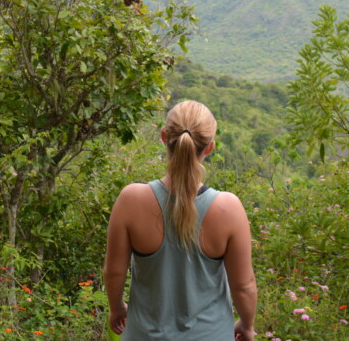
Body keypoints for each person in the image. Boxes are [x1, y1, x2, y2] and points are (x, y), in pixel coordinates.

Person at [104, 100, 257, 340]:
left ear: (164, 137)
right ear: (209, 147)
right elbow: (244, 286)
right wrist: (246, 325)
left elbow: (114, 272)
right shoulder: (228, 208)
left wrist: (117, 308)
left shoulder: (131, 200)